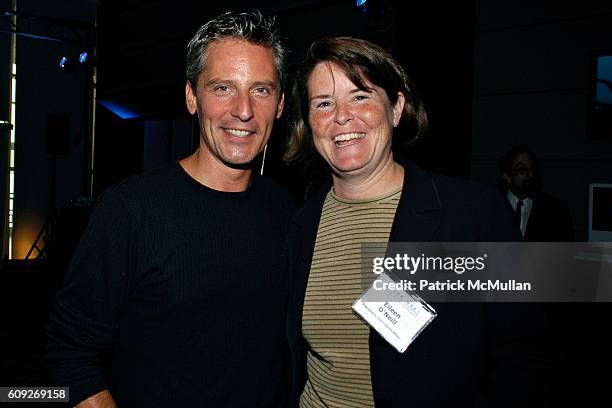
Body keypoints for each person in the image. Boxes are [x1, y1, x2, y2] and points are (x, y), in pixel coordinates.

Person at [284, 37, 550, 407]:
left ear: (396, 108)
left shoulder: (470, 215)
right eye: (323, 103)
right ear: (308, 122)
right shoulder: (297, 225)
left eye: (360, 96)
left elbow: (521, 355)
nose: (341, 116)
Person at [46, 10, 293, 407]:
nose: (243, 110)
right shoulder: (131, 210)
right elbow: (70, 352)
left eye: (261, 90)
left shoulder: (286, 209)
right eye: (222, 88)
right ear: (191, 98)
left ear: (280, 104)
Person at [499, 146, 574, 241]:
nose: (531, 174)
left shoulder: (556, 209)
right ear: (507, 176)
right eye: (522, 169)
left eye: (533, 168)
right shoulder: (491, 206)